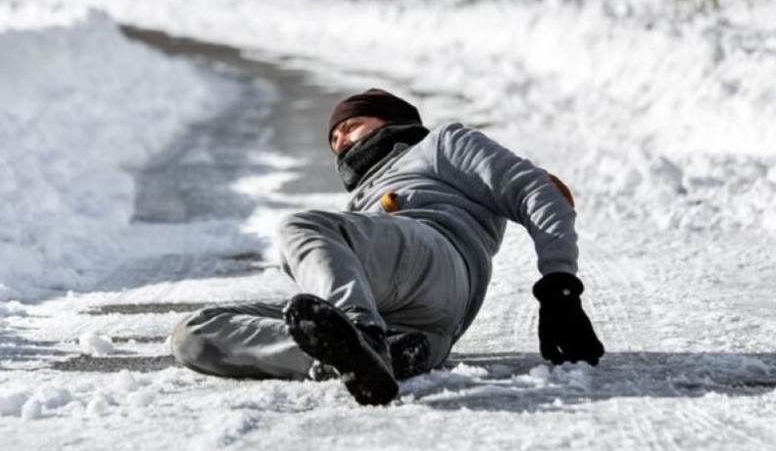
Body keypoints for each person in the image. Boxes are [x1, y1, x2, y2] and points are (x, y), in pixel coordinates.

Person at [169, 89, 605, 406]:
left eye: (350, 125)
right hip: (420, 327)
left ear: (392, 120)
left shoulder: (441, 146)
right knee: (195, 333)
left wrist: (560, 288)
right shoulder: (359, 201)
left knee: (301, 227)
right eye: (333, 138)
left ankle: (360, 333)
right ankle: (358, 357)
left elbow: (538, 190)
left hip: (438, 259)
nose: (340, 140)